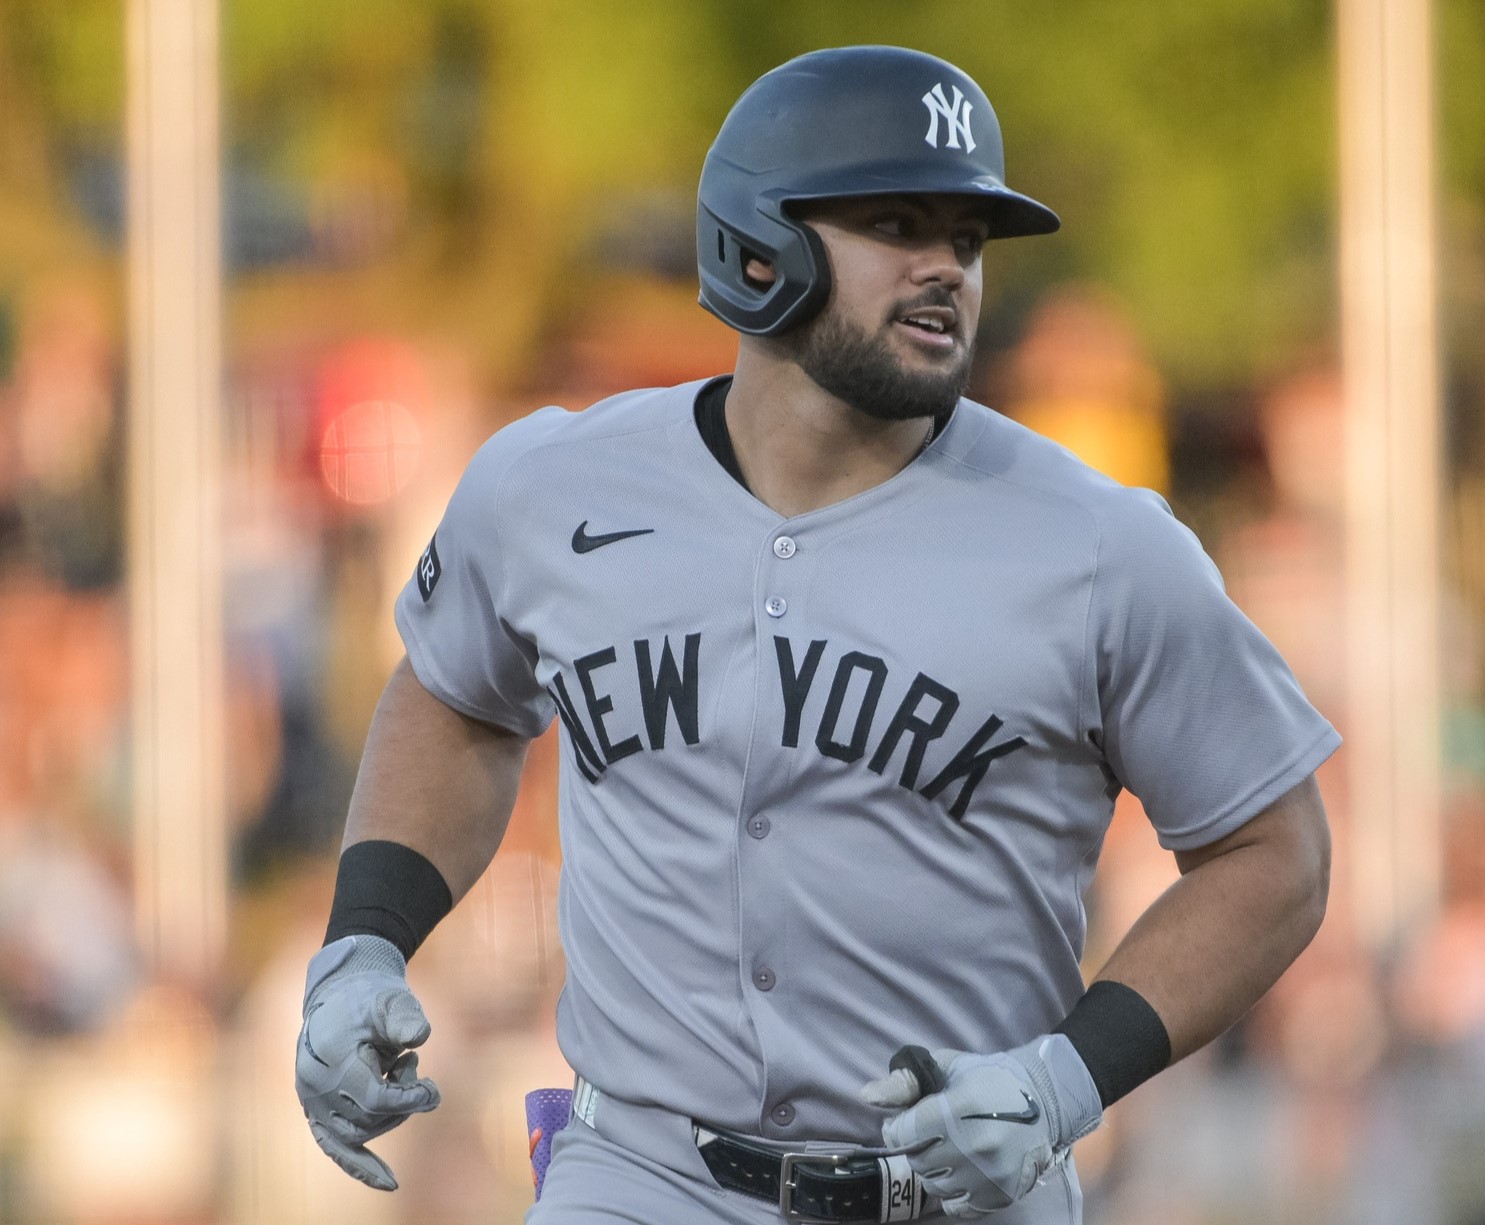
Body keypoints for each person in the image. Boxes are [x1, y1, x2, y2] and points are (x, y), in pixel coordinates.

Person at [292, 44, 1339, 1225]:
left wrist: (1066, 1079)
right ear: (755, 246)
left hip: (953, 1191)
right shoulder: (551, 483)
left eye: (968, 239)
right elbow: (456, 697)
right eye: (898, 223)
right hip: (638, 1176)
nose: (945, 268)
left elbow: (1274, 851)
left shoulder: (1101, 545)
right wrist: (365, 945)